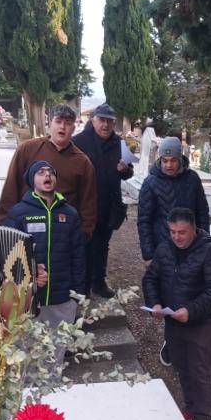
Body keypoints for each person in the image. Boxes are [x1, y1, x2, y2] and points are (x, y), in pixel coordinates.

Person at [142, 207, 211, 420]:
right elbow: (151, 278)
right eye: (172, 232)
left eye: (182, 232)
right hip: (173, 320)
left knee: (199, 369)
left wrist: (191, 311)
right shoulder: (165, 249)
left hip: (199, 322)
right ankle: (189, 408)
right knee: (181, 366)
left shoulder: (210, 253)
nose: (177, 237)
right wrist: (155, 303)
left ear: (193, 229)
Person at [137, 135, 210, 365]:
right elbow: (144, 220)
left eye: (173, 160)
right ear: (159, 159)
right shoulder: (150, 183)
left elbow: (202, 212)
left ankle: (189, 336)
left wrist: (205, 242)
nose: (169, 164)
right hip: (164, 248)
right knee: (169, 292)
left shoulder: (192, 180)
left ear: (180, 159)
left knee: (190, 289)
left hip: (192, 245)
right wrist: (149, 254)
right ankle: (172, 340)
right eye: (165, 160)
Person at [4, 161, 84, 363]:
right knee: (27, 353)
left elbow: (78, 255)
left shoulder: (70, 214)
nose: (47, 175)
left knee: (55, 353)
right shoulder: (19, 213)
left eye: (51, 172)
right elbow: (8, 256)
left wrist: (77, 296)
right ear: (32, 179)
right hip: (30, 300)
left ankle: (52, 388)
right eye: (40, 172)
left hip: (61, 298)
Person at [0, 104, 96, 239]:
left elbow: (88, 204)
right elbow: (11, 188)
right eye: (58, 121)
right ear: (50, 123)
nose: (62, 127)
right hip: (26, 230)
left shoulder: (82, 162)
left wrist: (83, 236)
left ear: (73, 128)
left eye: (68, 123)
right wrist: (4, 226)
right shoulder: (27, 149)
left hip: (63, 235)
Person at [73, 103, 133, 298]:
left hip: (109, 204)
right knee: (84, 245)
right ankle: (83, 285)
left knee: (102, 245)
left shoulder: (119, 143)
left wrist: (125, 170)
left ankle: (98, 282)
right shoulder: (79, 142)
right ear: (93, 120)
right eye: (102, 120)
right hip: (85, 205)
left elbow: (128, 172)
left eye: (109, 121)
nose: (105, 125)